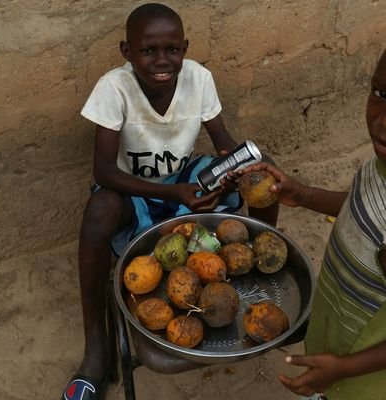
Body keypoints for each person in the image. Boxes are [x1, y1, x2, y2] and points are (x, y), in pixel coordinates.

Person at [60, 3, 278, 399]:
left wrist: (237, 167)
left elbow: (223, 143)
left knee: (262, 171)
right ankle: (97, 349)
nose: (163, 61)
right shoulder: (114, 88)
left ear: (185, 48)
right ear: (128, 52)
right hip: (135, 191)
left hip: (185, 180)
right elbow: (104, 173)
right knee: (99, 210)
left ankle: (265, 270)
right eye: (148, 51)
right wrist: (172, 193)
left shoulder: (199, 78)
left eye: (173, 50)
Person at [246, 49, 386, 400]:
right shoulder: (380, 166)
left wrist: (344, 368)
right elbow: (363, 208)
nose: (382, 121)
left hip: (362, 377)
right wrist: (306, 195)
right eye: (381, 94)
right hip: (337, 333)